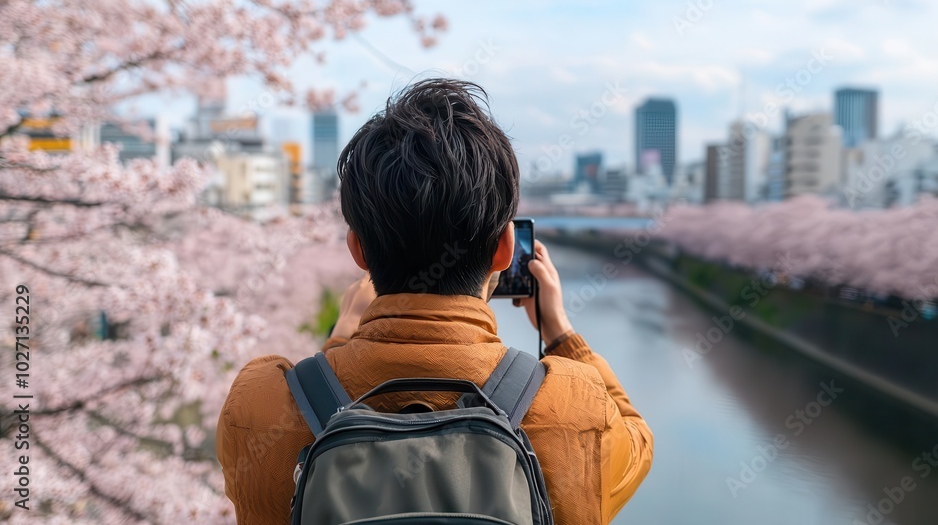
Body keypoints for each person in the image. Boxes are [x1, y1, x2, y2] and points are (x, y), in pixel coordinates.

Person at [216, 79, 653, 524]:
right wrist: (558, 330)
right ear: (504, 249)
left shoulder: (258, 405)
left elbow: (299, 429)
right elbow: (637, 440)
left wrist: (341, 336)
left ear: (358, 251)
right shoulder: (575, 407)